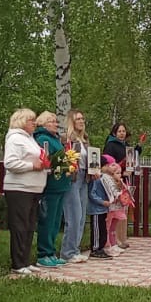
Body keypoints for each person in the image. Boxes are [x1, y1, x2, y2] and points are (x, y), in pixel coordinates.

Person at [2, 108, 46, 275]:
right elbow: (10, 163)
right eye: (30, 120)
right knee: (20, 226)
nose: (34, 123)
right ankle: (18, 263)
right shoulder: (15, 139)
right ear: (21, 121)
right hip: (19, 187)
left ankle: (25, 260)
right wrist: (32, 166)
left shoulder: (30, 139)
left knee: (29, 226)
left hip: (33, 187)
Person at [34, 111, 70, 267]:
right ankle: (43, 253)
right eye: (52, 121)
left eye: (56, 121)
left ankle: (51, 252)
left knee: (55, 222)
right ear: (43, 124)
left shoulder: (55, 138)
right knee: (47, 220)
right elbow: (47, 159)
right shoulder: (42, 138)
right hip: (50, 185)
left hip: (60, 184)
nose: (56, 124)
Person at [60, 111, 90, 264]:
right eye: (78, 119)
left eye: (82, 118)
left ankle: (75, 249)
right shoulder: (66, 139)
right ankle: (68, 252)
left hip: (84, 177)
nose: (81, 121)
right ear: (71, 121)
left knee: (82, 216)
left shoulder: (85, 140)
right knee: (74, 215)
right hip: (72, 178)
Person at [87, 156, 114, 259]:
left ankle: (101, 247)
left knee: (103, 229)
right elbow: (92, 193)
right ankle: (95, 249)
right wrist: (102, 202)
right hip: (96, 209)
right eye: (106, 165)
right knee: (97, 229)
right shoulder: (96, 179)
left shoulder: (104, 178)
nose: (108, 167)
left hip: (103, 209)